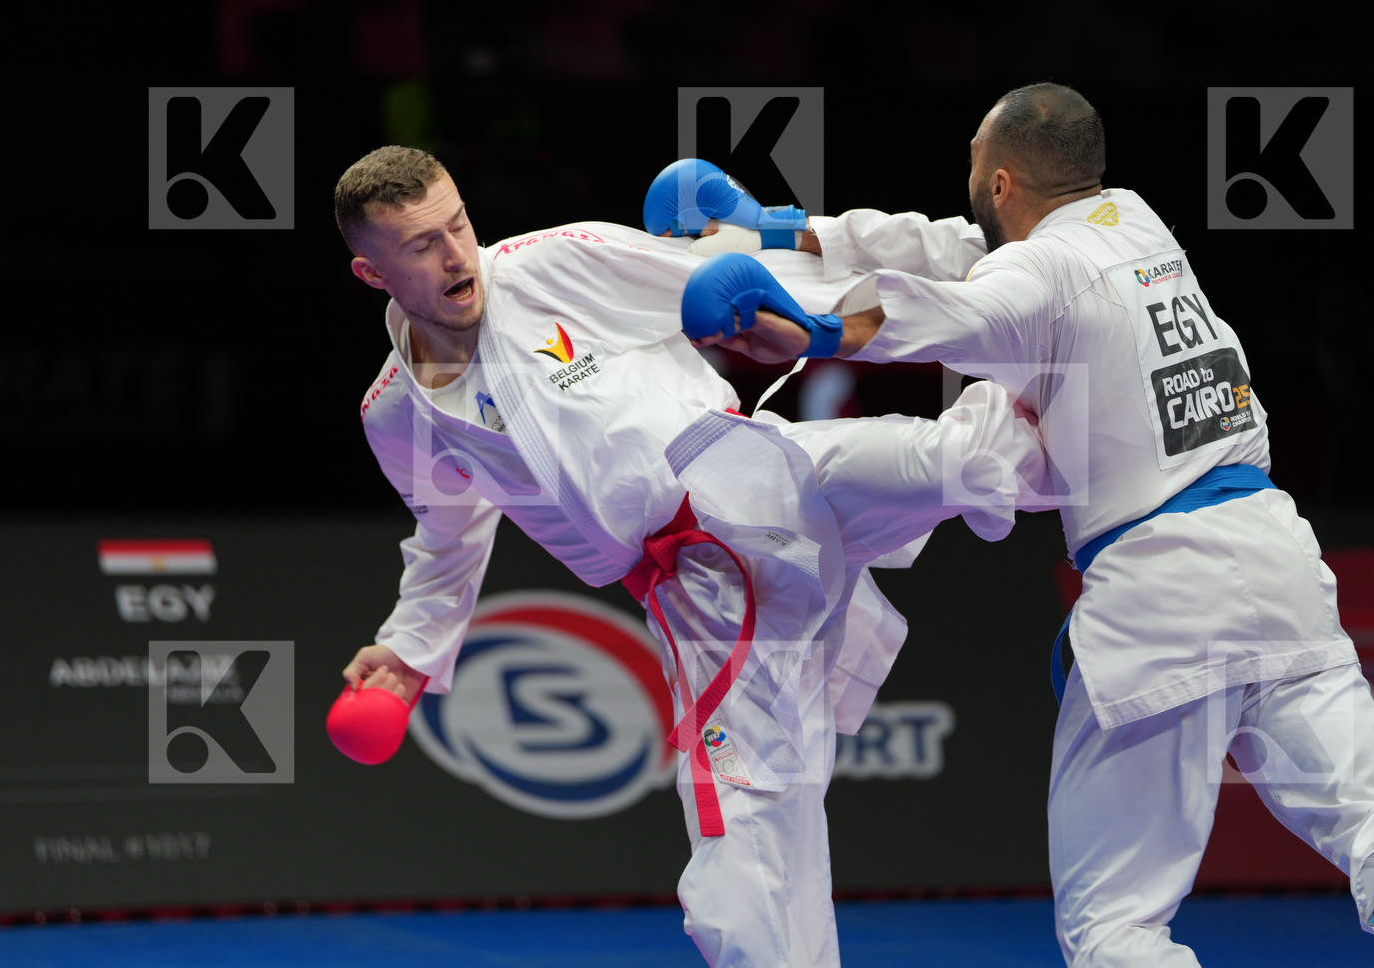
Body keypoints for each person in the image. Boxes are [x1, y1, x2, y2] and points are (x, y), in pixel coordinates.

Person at [679, 84, 1374, 968]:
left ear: (1001, 180)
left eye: (974, 160)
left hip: (1160, 593)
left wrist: (810, 328)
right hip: (1279, 562)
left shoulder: (1036, 275)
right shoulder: (1135, 221)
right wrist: (780, 230)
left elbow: (945, 308)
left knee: (1113, 926)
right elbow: (946, 249)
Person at [332, 146, 1045, 968]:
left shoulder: (547, 266)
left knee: (968, 459)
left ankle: (1057, 295)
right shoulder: (395, 413)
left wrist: (956, 266)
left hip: (762, 469)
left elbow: (729, 271)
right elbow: (448, 532)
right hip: (701, 591)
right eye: (422, 245)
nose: (457, 254)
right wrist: (408, 650)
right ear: (372, 272)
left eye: (458, 224)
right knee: (751, 830)